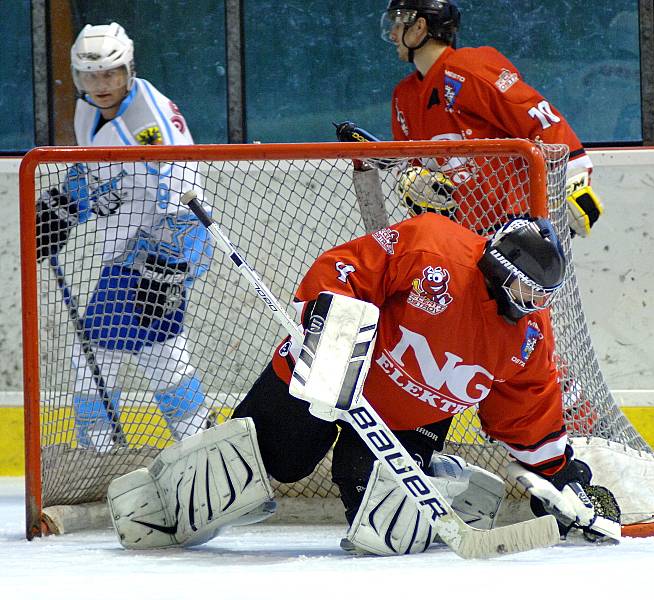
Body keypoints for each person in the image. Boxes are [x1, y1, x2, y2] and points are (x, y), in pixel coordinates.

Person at [107, 213, 619, 554]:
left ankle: (447, 480)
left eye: (541, 295)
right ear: (495, 267)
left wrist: (559, 479)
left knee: (382, 525)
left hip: (406, 418)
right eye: (525, 289)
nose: (532, 304)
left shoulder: (527, 337)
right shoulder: (434, 249)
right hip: (328, 373)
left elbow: (527, 411)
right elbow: (345, 269)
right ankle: (168, 497)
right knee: (269, 461)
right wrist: (333, 336)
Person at [35, 22, 214, 450]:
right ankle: (203, 451)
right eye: (90, 76)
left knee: (102, 356)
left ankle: (103, 450)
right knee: (154, 357)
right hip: (124, 252)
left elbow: (188, 202)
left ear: (128, 70)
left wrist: (172, 271)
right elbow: (97, 175)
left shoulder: (150, 124)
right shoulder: (87, 112)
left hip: (158, 258)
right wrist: (63, 206)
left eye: (111, 74)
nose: (101, 85)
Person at [381, 0, 603, 236]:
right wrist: (413, 182)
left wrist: (573, 182)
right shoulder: (403, 97)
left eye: (398, 24)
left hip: (517, 226)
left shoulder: (467, 68)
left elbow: (541, 119)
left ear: (419, 27)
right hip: (461, 235)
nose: (393, 35)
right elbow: (413, 167)